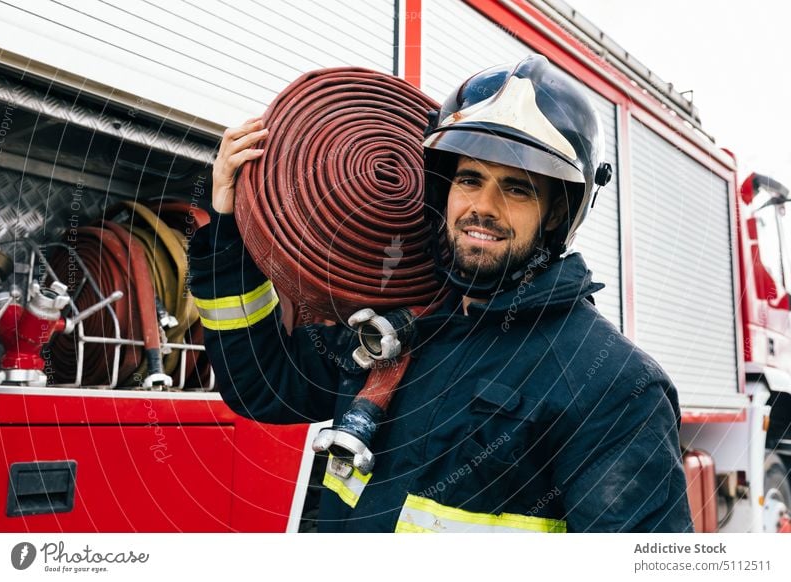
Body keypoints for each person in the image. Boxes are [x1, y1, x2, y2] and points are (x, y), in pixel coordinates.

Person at [189, 55, 693, 533]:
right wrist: (229, 229)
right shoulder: (400, 331)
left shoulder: (613, 386)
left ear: (560, 214)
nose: (483, 206)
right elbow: (262, 387)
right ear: (441, 190)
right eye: (470, 178)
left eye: (518, 188)